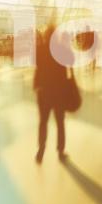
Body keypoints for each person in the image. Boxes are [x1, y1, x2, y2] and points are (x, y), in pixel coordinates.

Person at [34, 26, 79, 163]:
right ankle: (60, 151)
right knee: (60, 122)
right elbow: (71, 60)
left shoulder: (40, 49)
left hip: (44, 92)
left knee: (43, 121)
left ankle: (41, 151)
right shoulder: (61, 49)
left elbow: (37, 64)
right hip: (59, 92)